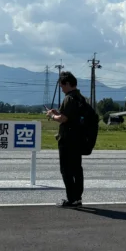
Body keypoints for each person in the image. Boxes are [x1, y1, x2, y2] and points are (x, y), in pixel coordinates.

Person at [44, 71, 85, 208]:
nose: (61, 90)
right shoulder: (80, 98)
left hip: (67, 139)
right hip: (78, 138)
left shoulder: (69, 98)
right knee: (77, 169)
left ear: (67, 84)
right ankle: (77, 198)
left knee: (66, 170)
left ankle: (71, 199)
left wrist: (51, 116)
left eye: (62, 86)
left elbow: (64, 119)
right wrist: (58, 113)